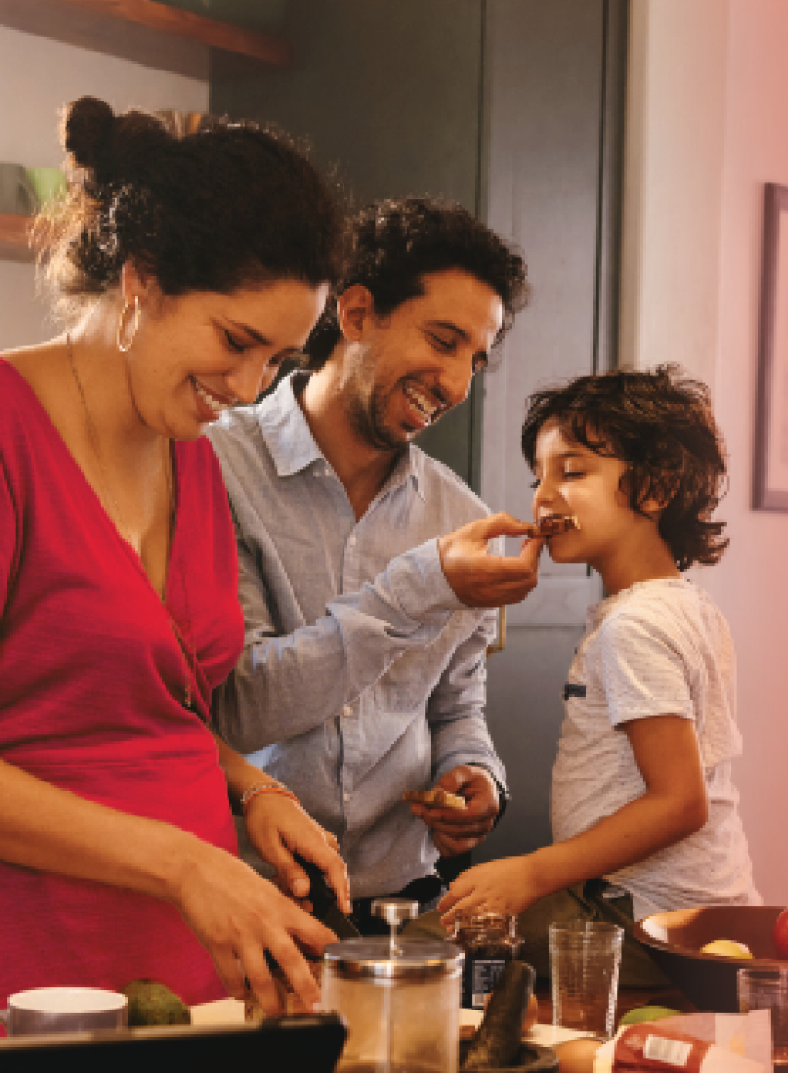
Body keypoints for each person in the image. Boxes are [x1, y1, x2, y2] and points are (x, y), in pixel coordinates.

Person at [0, 98, 352, 1044]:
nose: (248, 390)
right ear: (141, 280)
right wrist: (185, 864)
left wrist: (250, 789)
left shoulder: (191, 456)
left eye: (278, 360)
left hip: (172, 961)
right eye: (235, 341)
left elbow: (134, 709)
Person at [208, 198, 539, 936]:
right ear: (356, 313)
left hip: (401, 904)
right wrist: (424, 586)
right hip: (250, 900)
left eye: (474, 360)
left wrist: (478, 779)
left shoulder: (458, 515)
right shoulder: (216, 466)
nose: (456, 383)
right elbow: (240, 704)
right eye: (443, 340)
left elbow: (456, 707)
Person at [440, 366, 760, 986]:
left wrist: (531, 873)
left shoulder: (633, 627)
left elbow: (679, 803)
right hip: (689, 908)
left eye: (573, 471)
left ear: (656, 487)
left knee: (430, 956)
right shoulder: (683, 604)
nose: (543, 496)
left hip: (636, 915)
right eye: (540, 476)